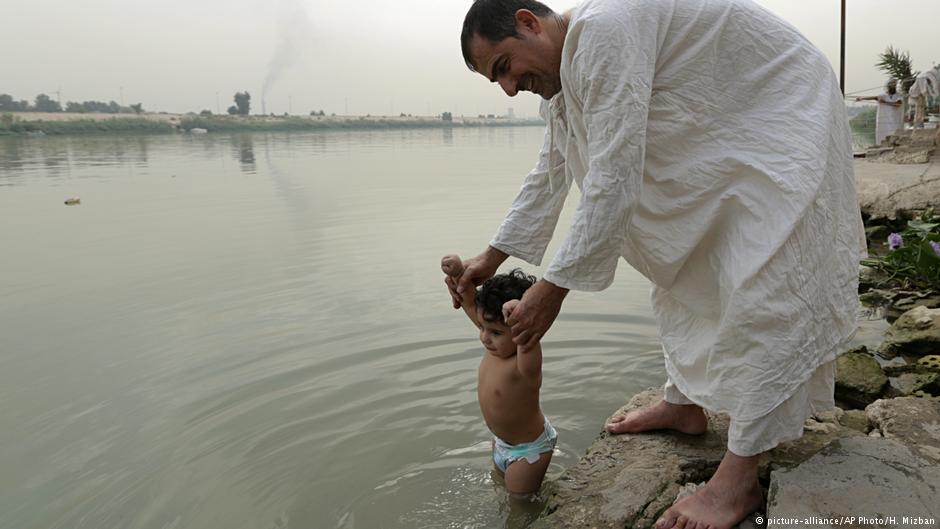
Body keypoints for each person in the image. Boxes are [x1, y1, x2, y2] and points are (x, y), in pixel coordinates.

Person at [447, 1, 863, 528]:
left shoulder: (603, 33)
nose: (508, 88)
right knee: (685, 263)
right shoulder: (564, 78)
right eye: (495, 81)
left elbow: (613, 175)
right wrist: (493, 255)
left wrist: (553, 288)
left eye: (504, 66)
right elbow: (550, 172)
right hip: (724, 116)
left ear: (529, 22)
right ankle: (683, 404)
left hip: (782, 110)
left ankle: (738, 480)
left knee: (767, 280)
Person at [441, 255, 557, 496]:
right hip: (501, 442)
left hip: (529, 452)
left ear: (522, 328)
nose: (484, 337)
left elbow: (528, 340)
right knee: (501, 492)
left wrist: (519, 312)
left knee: (519, 503)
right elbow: (471, 303)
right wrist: (457, 273)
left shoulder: (524, 362)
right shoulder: (496, 345)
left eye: (495, 332)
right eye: (482, 327)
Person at [856, 78, 904, 144]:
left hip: (895, 120)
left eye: (894, 86)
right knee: (884, 133)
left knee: (894, 133)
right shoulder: (883, 96)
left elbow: (898, 104)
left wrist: (884, 102)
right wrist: (861, 98)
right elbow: (874, 97)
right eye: (891, 86)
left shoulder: (898, 96)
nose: (893, 88)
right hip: (885, 120)